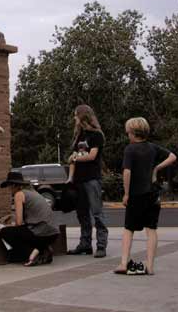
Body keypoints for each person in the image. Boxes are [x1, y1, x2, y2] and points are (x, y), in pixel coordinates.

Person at [114, 117, 176, 275]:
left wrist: (126, 193)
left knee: (129, 229)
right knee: (151, 229)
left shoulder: (130, 149)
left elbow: (127, 172)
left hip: (136, 194)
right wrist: (156, 168)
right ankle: (150, 265)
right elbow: (172, 157)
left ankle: (123, 263)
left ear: (133, 133)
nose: (127, 134)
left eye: (128, 131)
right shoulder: (152, 147)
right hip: (153, 194)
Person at [67, 104, 108, 258]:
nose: (74, 118)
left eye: (76, 115)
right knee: (82, 213)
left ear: (83, 116)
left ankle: (101, 246)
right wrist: (70, 178)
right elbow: (72, 159)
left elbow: (92, 156)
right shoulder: (79, 135)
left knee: (97, 213)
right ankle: (85, 244)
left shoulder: (97, 135)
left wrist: (76, 157)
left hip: (92, 179)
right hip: (78, 179)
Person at [0, 171, 59, 266]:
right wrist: (12, 217)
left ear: (14, 185)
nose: (8, 190)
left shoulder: (19, 194)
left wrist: (7, 225)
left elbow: (19, 222)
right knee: (23, 231)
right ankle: (42, 249)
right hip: (53, 233)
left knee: (5, 232)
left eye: (9, 186)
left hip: (40, 232)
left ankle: (31, 254)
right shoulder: (33, 192)